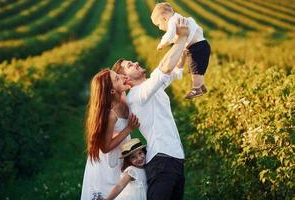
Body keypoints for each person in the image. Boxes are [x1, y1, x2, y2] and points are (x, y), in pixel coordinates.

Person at [112, 19, 189, 200]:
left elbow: (174, 71)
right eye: (130, 65)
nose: (136, 63)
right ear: (126, 79)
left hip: (175, 159)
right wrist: (181, 38)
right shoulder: (137, 95)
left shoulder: (149, 88)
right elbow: (164, 68)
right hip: (162, 161)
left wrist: (184, 52)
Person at [80, 69, 140, 200]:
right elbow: (105, 147)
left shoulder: (123, 97)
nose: (122, 77)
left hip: (121, 155)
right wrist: (129, 128)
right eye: (117, 78)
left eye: (118, 75)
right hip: (108, 163)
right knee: (110, 193)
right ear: (112, 91)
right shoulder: (110, 114)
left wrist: (125, 79)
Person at [151, 2, 211, 99]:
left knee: (195, 69)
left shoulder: (172, 22)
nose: (159, 27)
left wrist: (162, 44)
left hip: (197, 47)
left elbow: (169, 35)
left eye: (158, 24)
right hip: (201, 45)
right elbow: (176, 37)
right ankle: (202, 86)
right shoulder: (178, 18)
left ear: (164, 18)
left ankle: (196, 88)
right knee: (196, 68)